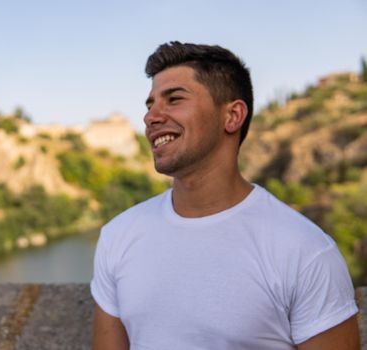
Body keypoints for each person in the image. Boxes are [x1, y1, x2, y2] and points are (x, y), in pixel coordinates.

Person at [91, 41, 360, 350]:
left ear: (232, 116)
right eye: (150, 105)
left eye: (174, 99)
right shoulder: (118, 236)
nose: (151, 117)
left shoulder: (306, 252)